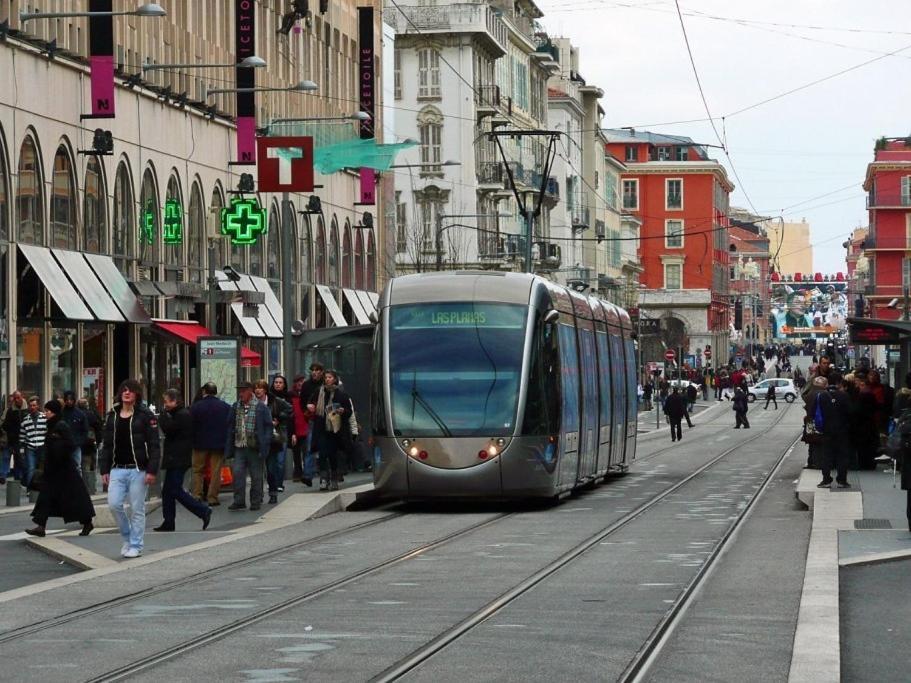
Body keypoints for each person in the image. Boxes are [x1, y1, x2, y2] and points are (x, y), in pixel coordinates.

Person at [99, 379, 160, 559]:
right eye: (124, 390)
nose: (127, 393)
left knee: (137, 508)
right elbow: (107, 445)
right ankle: (127, 537)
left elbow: (154, 445)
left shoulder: (145, 415)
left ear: (136, 394)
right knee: (114, 504)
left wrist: (151, 470)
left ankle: (136, 545)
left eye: (131, 391)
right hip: (117, 469)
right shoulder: (112, 415)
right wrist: (104, 469)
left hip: (138, 470)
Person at [25, 400, 95, 537]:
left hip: (65, 470)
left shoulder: (61, 425)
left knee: (74, 498)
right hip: (53, 470)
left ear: (54, 412)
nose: (45, 413)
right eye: (45, 411)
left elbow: (71, 444)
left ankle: (87, 522)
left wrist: (59, 451)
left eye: (48, 411)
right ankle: (40, 527)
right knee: (45, 497)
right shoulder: (51, 425)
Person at [155, 389, 212, 532]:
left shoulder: (182, 415)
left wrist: (162, 416)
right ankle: (168, 521)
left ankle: (202, 510)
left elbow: (169, 429)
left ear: (175, 401)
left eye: (167, 401)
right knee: (168, 491)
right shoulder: (178, 414)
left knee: (174, 490)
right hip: (175, 458)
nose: (165, 405)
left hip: (178, 458)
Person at [225, 381, 272, 512]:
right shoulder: (235, 406)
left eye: (243, 391)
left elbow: (268, 426)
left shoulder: (260, 407)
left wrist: (265, 442)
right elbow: (230, 426)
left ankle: (255, 501)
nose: (241, 394)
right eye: (239, 391)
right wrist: (229, 446)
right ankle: (239, 500)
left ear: (250, 391)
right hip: (239, 445)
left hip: (255, 446)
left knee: (256, 475)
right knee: (238, 473)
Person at [189, 382, 231, 506]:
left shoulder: (196, 407)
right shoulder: (225, 407)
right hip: (218, 444)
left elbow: (191, 425)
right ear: (216, 392)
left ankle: (197, 495)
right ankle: (212, 497)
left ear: (204, 391)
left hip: (199, 443)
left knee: (198, 470)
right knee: (216, 471)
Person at [311, 369, 354, 490]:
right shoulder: (318, 392)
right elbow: (309, 404)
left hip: (336, 429)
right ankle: (324, 479)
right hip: (321, 428)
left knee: (333, 455)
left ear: (335, 379)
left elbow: (349, 411)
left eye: (330, 377)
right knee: (322, 454)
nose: (327, 380)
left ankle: (334, 478)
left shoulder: (341, 394)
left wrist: (342, 411)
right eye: (326, 377)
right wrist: (310, 407)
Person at [255, 379, 292, 505]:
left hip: (272, 439)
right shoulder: (253, 403)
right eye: (256, 388)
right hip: (257, 441)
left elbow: (290, 410)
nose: (258, 390)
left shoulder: (275, 401)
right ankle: (258, 495)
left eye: (260, 388)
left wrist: (279, 418)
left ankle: (273, 493)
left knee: (271, 468)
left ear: (265, 390)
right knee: (257, 470)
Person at [817, 373, 852, 489]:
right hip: (842, 430)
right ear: (838, 383)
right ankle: (842, 480)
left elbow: (815, 412)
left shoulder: (821, 396)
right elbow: (850, 413)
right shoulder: (844, 395)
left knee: (826, 455)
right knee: (842, 455)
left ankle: (826, 479)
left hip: (826, 430)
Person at [290, 375, 314, 486]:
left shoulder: (308, 394)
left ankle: (306, 472)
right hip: (296, 425)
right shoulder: (291, 395)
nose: (300, 384)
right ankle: (298, 471)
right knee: (296, 451)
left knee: (306, 450)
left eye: (302, 381)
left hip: (306, 425)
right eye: (298, 382)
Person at [20, 396, 47, 490]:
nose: (32, 407)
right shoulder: (25, 420)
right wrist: (22, 450)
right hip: (30, 447)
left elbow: (47, 432)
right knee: (30, 468)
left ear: (38, 406)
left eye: (34, 405)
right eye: (30, 405)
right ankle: (30, 488)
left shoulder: (44, 418)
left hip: (42, 446)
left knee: (42, 468)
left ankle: (42, 487)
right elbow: (22, 436)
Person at [1, 391, 28, 484]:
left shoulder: (27, 409)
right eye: (14, 398)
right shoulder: (10, 411)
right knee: (6, 457)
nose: (16, 400)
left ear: (22, 397)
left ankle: (18, 478)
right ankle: (3, 476)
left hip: (21, 440)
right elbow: (4, 425)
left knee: (18, 459)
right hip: (10, 439)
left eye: (18, 398)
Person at [61, 390, 89, 472]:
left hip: (76, 445)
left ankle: (77, 484)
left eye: (71, 399)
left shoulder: (80, 414)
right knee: (64, 468)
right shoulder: (62, 413)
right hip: (64, 445)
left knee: (77, 467)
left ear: (74, 400)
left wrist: (79, 442)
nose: (69, 401)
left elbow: (85, 430)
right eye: (67, 400)